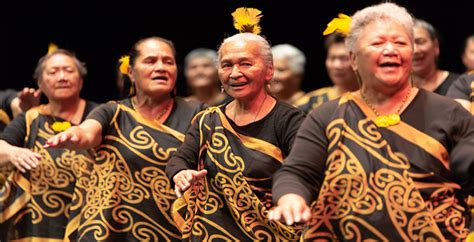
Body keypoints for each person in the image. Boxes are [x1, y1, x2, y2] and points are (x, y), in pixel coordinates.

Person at [269, 3, 473, 241]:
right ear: (353, 59)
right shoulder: (326, 115)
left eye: (400, 43)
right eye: (378, 43)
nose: (390, 50)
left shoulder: (449, 112)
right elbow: (297, 172)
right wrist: (291, 197)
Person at [45, 36, 204, 241]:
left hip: (178, 228)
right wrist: (73, 136)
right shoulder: (113, 111)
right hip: (116, 230)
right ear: (130, 72)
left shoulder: (198, 112)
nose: (161, 67)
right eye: (150, 61)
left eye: (168, 61)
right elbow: (87, 132)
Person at [166, 32, 306, 241]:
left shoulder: (289, 120)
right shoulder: (208, 120)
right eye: (226, 65)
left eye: (245, 64)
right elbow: (180, 159)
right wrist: (180, 174)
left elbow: (303, 170)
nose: (234, 73)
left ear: (269, 70)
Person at [0, 49, 98, 241]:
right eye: (53, 72)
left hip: (89, 214)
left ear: (81, 81)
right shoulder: (30, 117)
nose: (62, 77)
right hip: (39, 223)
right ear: (40, 84)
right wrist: (13, 152)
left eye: (69, 71)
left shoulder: (100, 114)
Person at [295, 32, 358, 114]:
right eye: (332, 58)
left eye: (344, 58)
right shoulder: (308, 103)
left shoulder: (374, 100)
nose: (337, 65)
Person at [411, 18, 460, 95]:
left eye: (420, 42)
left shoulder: (460, 85)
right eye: (407, 43)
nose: (415, 50)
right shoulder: (394, 89)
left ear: (436, 46)